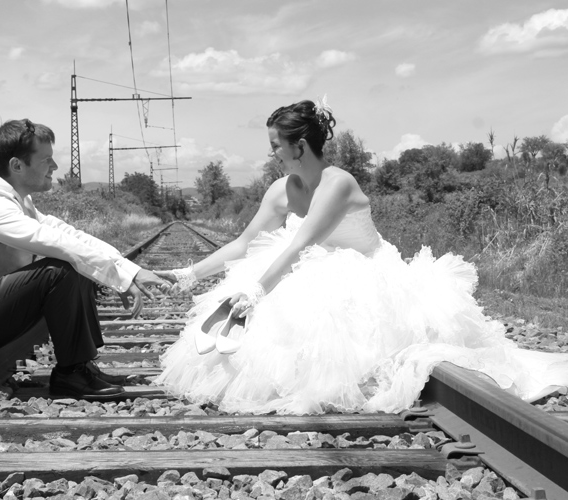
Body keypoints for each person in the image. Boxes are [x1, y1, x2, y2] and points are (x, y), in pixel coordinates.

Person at [154, 98, 568, 415]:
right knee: (276, 311)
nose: (272, 154)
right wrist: (186, 275)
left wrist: (256, 293)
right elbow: (244, 243)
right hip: (310, 269)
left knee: (305, 308)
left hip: (365, 276)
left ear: (299, 146)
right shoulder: (282, 189)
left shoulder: (337, 183)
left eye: (275, 146)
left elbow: (301, 246)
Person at [0, 118, 170, 401]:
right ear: (17, 165)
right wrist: (120, 278)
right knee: (62, 268)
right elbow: (56, 243)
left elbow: (69, 235)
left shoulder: (16, 200)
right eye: (46, 160)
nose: (55, 166)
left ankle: (81, 366)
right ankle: (71, 374)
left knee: (76, 262)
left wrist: (131, 270)